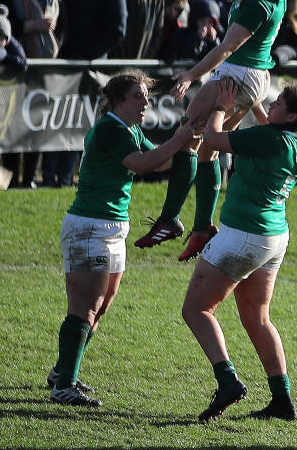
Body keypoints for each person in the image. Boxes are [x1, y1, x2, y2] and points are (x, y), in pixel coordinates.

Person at [135, 0, 286, 262]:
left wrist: (191, 74)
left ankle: (171, 219)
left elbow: (228, 48)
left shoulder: (257, 3)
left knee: (188, 136)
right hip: (252, 76)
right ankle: (202, 226)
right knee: (207, 149)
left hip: (237, 74)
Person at [50, 72, 200, 406]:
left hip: (112, 228)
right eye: (138, 96)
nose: (145, 102)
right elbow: (143, 164)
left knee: (102, 306)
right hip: (90, 225)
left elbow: (162, 160)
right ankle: (64, 386)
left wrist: (189, 139)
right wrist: (179, 139)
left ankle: (62, 370)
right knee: (84, 307)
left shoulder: (129, 129)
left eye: (146, 95)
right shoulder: (110, 129)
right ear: (118, 100)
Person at [181, 79, 297, 423]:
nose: (271, 104)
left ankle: (228, 381)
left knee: (197, 309)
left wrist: (222, 107)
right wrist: (254, 101)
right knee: (257, 316)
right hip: (273, 239)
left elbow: (211, 139)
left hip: (242, 236)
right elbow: (268, 131)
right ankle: (282, 399)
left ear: (291, 115)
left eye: (279, 103)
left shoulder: (267, 137)